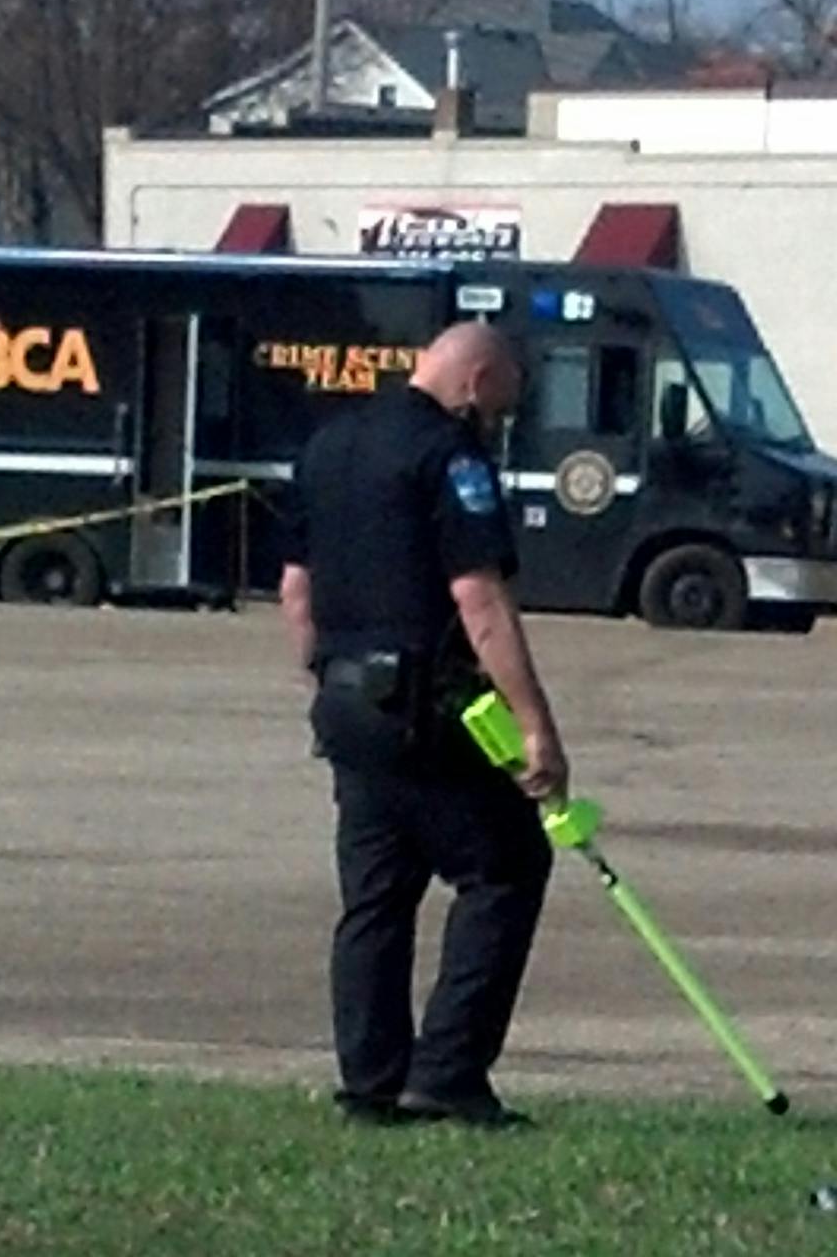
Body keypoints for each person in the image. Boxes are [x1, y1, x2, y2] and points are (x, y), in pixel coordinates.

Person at [278, 321, 572, 1130]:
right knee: (506, 869)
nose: (502, 420)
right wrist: (535, 727)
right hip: (429, 709)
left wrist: (328, 680)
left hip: (346, 704)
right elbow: (480, 602)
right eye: (504, 401)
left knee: (375, 898)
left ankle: (369, 1084)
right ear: (476, 382)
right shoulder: (451, 456)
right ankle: (447, 1072)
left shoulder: (330, 446)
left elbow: (295, 594)